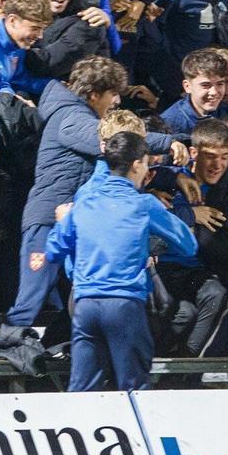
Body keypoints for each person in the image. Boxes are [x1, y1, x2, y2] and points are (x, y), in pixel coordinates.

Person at [40, 129, 200, 391]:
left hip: (85, 305)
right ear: (137, 165)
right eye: (146, 164)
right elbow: (188, 245)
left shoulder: (83, 201)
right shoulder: (144, 204)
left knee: (82, 390)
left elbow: (54, 250)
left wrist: (67, 229)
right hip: (124, 305)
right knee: (134, 389)